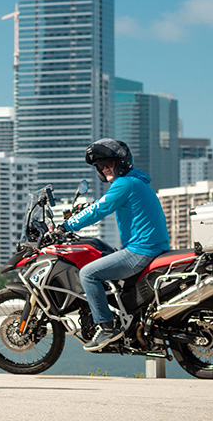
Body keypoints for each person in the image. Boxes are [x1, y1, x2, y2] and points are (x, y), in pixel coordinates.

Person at [61, 138, 170, 352]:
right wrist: (89, 207)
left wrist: (66, 226)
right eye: (101, 166)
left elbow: (98, 211)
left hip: (141, 250)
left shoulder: (124, 184)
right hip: (151, 248)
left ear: (121, 162)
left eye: (109, 163)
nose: (105, 168)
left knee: (88, 274)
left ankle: (107, 327)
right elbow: (103, 203)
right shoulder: (136, 181)